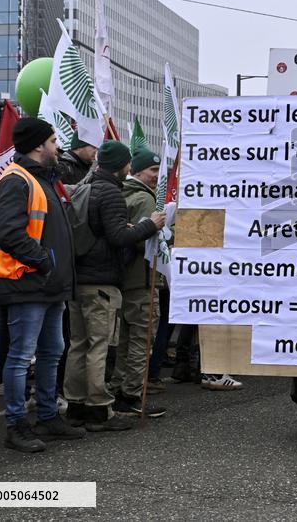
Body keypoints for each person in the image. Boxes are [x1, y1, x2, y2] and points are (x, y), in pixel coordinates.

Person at [0, 118, 83, 452]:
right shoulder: (18, 180)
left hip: (46, 285)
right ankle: (16, 425)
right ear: (38, 145)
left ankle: (47, 417)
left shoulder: (41, 179)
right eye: (53, 139)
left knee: (51, 352)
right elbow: (8, 230)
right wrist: (44, 261)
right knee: (21, 357)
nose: (58, 146)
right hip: (27, 282)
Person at [64, 141, 164, 429]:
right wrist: (150, 225)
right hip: (101, 282)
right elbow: (119, 236)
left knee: (78, 345)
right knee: (98, 346)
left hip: (80, 278)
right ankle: (98, 408)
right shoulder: (110, 192)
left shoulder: (86, 187)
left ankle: (75, 404)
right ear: (122, 165)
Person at [111, 148, 167, 416]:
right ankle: (132, 394)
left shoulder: (122, 193)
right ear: (138, 170)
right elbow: (146, 240)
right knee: (142, 340)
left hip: (125, 280)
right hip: (142, 279)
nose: (156, 176)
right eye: (153, 171)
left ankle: (120, 389)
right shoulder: (144, 199)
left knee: (126, 339)